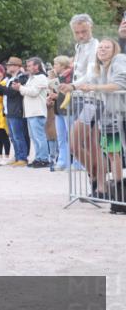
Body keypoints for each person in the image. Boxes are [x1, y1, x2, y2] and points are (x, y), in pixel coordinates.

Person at [59, 39, 126, 201]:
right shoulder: (98, 69)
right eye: (100, 47)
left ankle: (111, 190)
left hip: (119, 115)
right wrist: (72, 87)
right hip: (107, 115)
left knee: (110, 152)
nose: (102, 49)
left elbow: (119, 85)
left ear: (114, 50)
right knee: (112, 152)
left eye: (107, 47)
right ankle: (114, 192)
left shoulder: (119, 61)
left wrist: (94, 88)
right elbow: (86, 80)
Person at [20, 57, 51, 168]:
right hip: (30, 111)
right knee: (34, 137)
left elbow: (33, 92)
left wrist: (20, 87)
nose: (27, 68)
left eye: (29, 66)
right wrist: (21, 88)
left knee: (39, 137)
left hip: (37, 111)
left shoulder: (41, 77)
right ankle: (38, 157)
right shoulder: (31, 78)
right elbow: (25, 92)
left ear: (36, 66)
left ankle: (44, 159)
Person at [50, 56, 73, 171]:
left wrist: (57, 95)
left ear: (63, 65)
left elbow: (71, 92)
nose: (54, 66)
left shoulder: (71, 76)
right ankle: (62, 161)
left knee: (72, 137)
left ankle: (77, 162)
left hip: (69, 109)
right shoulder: (59, 77)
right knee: (61, 138)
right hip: (59, 109)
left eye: (56, 64)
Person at [70, 14, 98, 83]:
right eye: (76, 32)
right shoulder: (78, 46)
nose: (81, 36)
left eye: (84, 31)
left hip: (90, 88)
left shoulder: (96, 47)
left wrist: (73, 86)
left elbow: (91, 75)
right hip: (78, 88)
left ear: (91, 28)